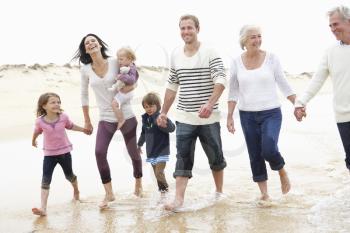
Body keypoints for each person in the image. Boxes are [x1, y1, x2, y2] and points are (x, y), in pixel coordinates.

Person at [157, 14, 227, 211]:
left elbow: (221, 80)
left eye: (190, 28)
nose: (186, 32)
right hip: (184, 117)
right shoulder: (176, 54)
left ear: (198, 29)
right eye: (183, 28)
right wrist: (163, 112)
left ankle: (219, 192)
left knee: (216, 157)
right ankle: (178, 199)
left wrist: (210, 103)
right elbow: (172, 85)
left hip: (209, 118)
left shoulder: (210, 52)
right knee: (183, 157)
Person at [73, 33, 143, 209]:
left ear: (99, 44)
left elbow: (133, 77)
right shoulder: (85, 69)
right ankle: (109, 193)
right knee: (99, 152)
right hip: (105, 117)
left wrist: (129, 90)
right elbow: (83, 95)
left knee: (133, 152)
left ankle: (138, 185)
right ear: (85, 49)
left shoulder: (114, 61)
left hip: (125, 113)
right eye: (87, 43)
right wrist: (87, 120)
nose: (91, 44)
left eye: (93, 41)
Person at [227, 25, 295, 201]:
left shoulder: (272, 59)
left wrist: (297, 103)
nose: (257, 40)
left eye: (259, 36)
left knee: (269, 149)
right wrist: (229, 116)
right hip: (247, 115)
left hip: (271, 113)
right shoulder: (236, 62)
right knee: (255, 155)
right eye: (252, 37)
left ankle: (281, 171)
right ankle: (264, 194)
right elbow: (233, 91)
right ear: (244, 40)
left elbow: (283, 83)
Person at [294, 5, 350, 173]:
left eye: (336, 24)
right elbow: (317, 80)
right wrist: (300, 102)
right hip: (344, 115)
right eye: (330, 26)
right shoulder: (330, 52)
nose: (333, 29)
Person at [31, 92, 87, 216]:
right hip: (49, 155)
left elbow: (71, 126)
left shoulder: (63, 117)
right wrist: (33, 140)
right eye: (53, 102)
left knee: (69, 176)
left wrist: (84, 130)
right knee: (45, 180)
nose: (56, 104)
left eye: (58, 102)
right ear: (44, 106)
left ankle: (76, 191)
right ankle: (43, 209)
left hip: (64, 153)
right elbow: (37, 131)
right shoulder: (40, 121)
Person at [137, 92, 175, 194]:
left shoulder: (160, 117)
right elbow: (143, 133)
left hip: (162, 150)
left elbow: (172, 128)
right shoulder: (145, 119)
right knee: (157, 174)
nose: (149, 109)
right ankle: (162, 193)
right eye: (146, 107)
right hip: (151, 151)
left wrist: (165, 122)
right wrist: (139, 144)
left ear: (157, 106)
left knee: (159, 173)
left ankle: (167, 191)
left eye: (151, 106)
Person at [109, 47, 138, 130]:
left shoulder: (131, 68)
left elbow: (132, 80)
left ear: (129, 59)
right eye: (118, 59)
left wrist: (121, 76)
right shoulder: (128, 66)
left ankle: (121, 120)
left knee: (114, 104)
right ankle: (125, 119)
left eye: (121, 59)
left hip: (127, 92)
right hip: (126, 92)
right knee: (121, 105)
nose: (119, 62)